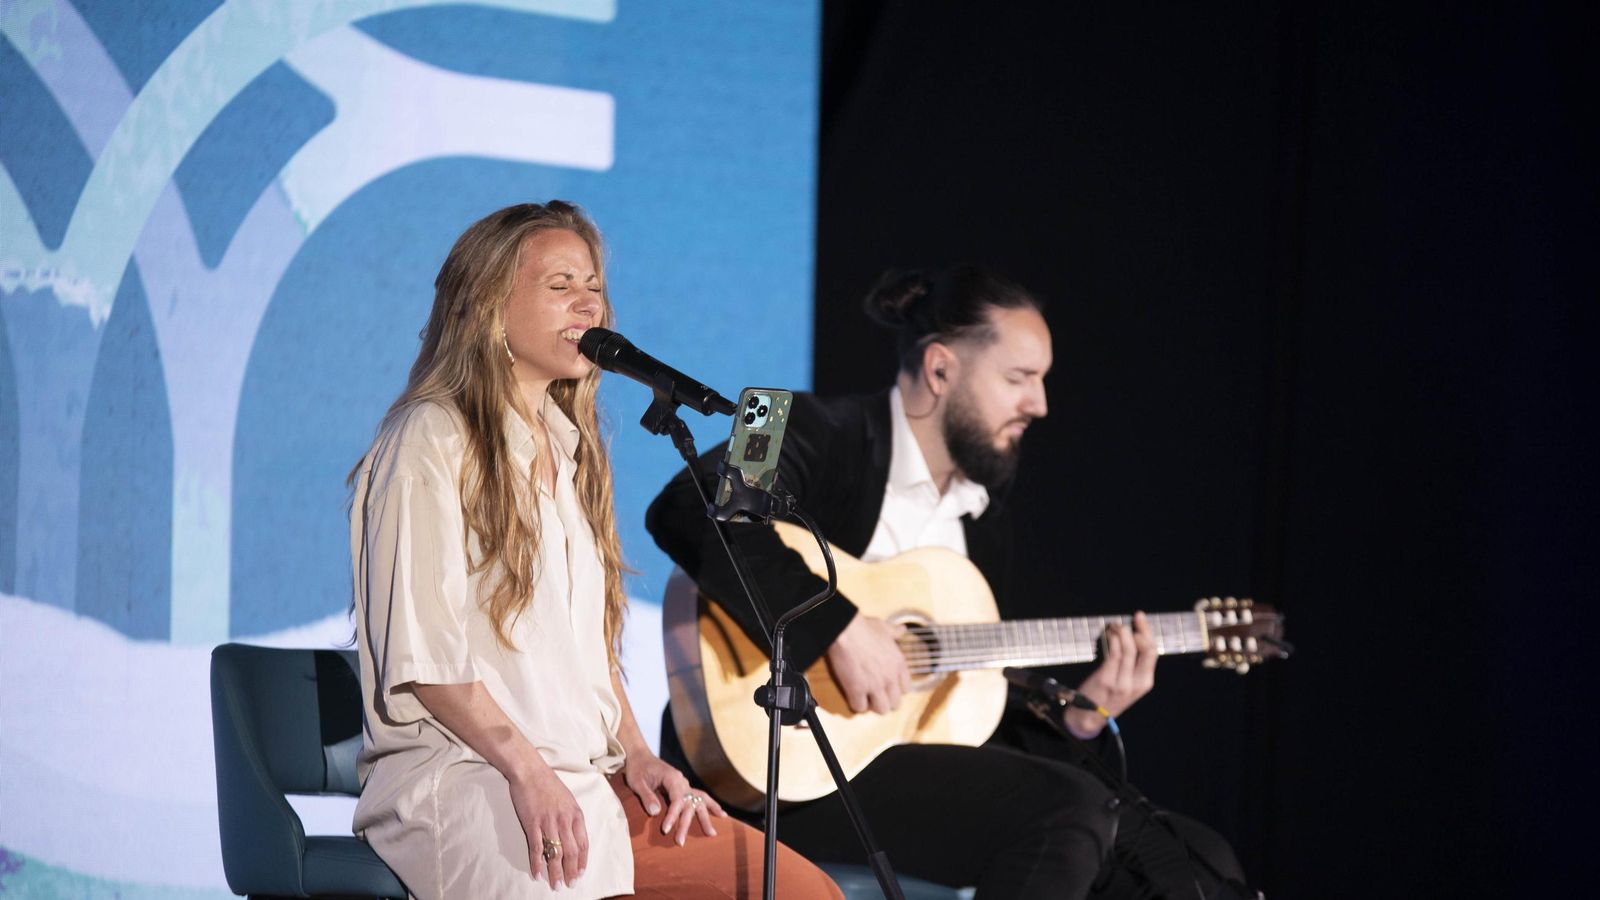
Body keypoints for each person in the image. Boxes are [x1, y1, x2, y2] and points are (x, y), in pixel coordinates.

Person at [646, 266, 1252, 899]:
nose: (1040, 404)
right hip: (775, 771)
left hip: (898, 772)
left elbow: (966, 728)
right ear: (940, 368)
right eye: (1019, 378)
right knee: (1067, 811)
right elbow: (688, 504)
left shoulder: (984, 519)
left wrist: (1076, 719)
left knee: (1197, 862)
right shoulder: (788, 416)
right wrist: (838, 628)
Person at [347, 201, 843, 899]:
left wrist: (638, 756)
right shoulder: (431, 437)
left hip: (587, 782)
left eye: (594, 287)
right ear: (489, 304)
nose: (589, 304)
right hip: (471, 777)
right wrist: (529, 772)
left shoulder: (572, 449)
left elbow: (587, 652)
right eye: (561, 287)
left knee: (796, 891)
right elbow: (426, 660)